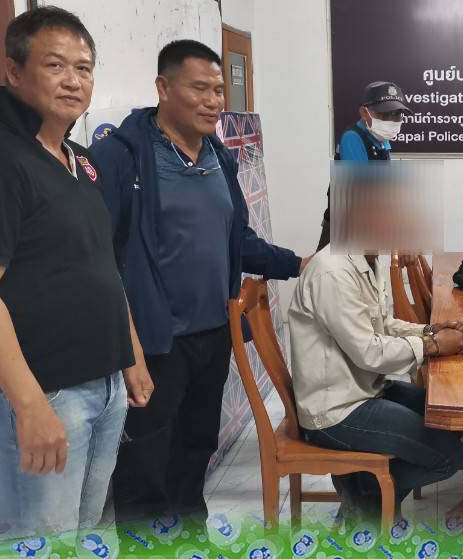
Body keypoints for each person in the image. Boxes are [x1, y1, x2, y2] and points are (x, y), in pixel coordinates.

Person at [0, 7, 150, 540]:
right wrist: (29, 405)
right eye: (55, 65)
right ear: (14, 71)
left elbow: (100, 262)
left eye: (84, 68)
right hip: (43, 392)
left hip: (102, 383)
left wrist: (130, 353)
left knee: (82, 535)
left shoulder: (78, 159)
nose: (73, 80)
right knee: (39, 553)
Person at [90, 40, 310, 522]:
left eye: (218, 90)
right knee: (146, 466)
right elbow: (98, 256)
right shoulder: (120, 157)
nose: (213, 101)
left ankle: (193, 552)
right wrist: (127, 349)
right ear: (163, 88)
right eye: (199, 89)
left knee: (195, 452)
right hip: (154, 342)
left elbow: (238, 240)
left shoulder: (218, 156)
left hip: (212, 335)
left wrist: (299, 265)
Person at [287, 248, 463, 521]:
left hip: (364, 389)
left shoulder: (366, 259)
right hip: (336, 410)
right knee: (449, 456)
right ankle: (364, 494)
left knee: (449, 417)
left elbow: (383, 325)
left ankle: (367, 498)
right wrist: (432, 345)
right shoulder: (333, 272)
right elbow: (369, 352)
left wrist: (431, 331)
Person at [316, 81, 410, 250]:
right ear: (364, 113)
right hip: (344, 228)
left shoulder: (381, 141)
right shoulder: (353, 138)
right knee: (330, 268)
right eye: (384, 114)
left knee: (368, 267)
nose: (391, 120)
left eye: (397, 115)